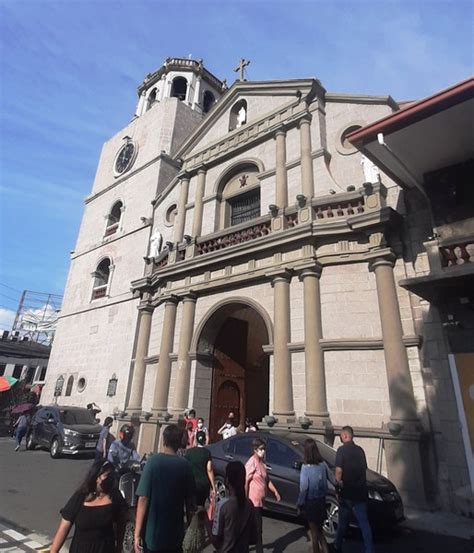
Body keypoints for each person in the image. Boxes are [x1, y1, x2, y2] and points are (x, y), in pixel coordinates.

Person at [134, 423, 197, 553]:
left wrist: (137, 533)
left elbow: (143, 499)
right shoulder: (185, 465)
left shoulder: (153, 462)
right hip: (175, 535)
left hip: (153, 534)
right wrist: (191, 531)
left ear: (164, 440)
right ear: (180, 442)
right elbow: (190, 503)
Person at [50, 460, 127, 553]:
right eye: (106, 476)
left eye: (111, 476)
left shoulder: (115, 497)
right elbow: (64, 527)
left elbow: (121, 525)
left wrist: (119, 547)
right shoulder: (81, 496)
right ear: (96, 477)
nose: (110, 480)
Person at [334, 426, 374, 553]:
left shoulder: (341, 450)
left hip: (347, 492)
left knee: (342, 523)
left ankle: (337, 546)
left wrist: (337, 485)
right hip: (360, 491)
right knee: (364, 524)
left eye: (341, 435)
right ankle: (369, 549)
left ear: (345, 436)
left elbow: (339, 471)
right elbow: (364, 469)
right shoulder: (360, 450)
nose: (340, 437)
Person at [205, 461, 257, 552]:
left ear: (227, 480)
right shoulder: (250, 504)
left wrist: (206, 520)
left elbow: (215, 540)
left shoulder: (223, 505)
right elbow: (253, 538)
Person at [297, 438, 334, 553]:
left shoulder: (306, 468)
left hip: (311, 502)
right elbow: (332, 479)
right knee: (320, 531)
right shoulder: (323, 465)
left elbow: (304, 487)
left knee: (314, 533)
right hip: (322, 501)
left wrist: (299, 503)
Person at [245, 438, 281, 553]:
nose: (263, 451)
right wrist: (245, 499)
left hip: (260, 501)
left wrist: (275, 491)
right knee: (257, 528)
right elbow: (246, 481)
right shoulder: (252, 462)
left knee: (252, 528)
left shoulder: (261, 463)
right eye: (261, 449)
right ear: (255, 450)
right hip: (253, 501)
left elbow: (267, 479)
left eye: (264, 449)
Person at [185, 430, 216, 506]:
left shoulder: (189, 452)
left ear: (196, 440)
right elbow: (209, 469)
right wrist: (213, 486)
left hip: (191, 483)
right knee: (201, 505)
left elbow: (185, 468)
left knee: (191, 505)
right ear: (205, 440)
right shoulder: (207, 453)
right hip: (203, 483)